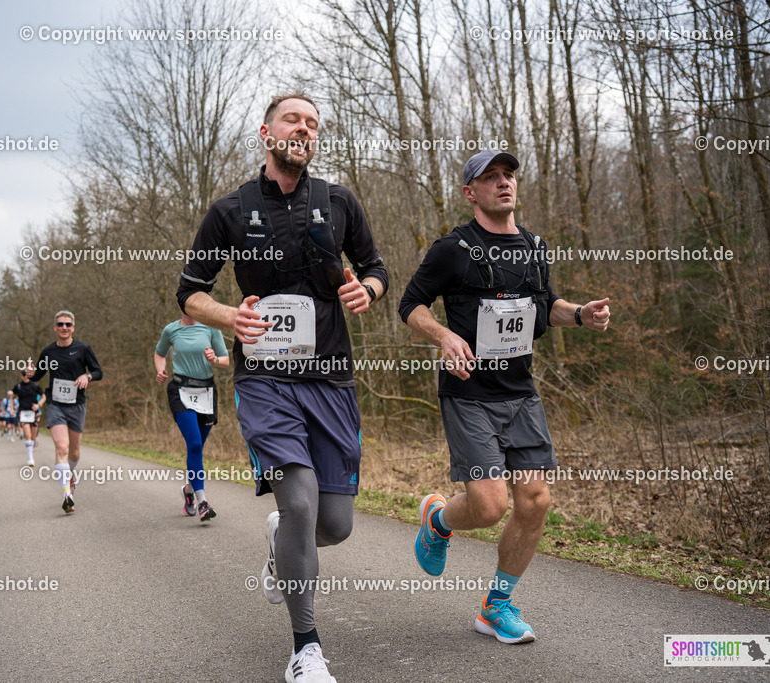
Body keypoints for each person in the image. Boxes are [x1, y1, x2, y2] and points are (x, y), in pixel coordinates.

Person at [178, 93, 388, 682]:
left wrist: (367, 290)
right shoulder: (230, 210)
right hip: (265, 380)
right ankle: (305, 648)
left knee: (333, 525)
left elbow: (376, 267)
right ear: (266, 132)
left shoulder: (339, 201)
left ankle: (282, 542)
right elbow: (189, 292)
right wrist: (230, 317)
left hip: (331, 379)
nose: (304, 129)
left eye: (312, 124)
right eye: (292, 119)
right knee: (297, 501)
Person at [399, 150, 611, 644]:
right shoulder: (452, 249)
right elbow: (411, 304)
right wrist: (444, 337)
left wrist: (581, 314)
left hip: (520, 393)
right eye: (490, 177)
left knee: (535, 501)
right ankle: (438, 520)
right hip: (469, 393)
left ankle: (496, 606)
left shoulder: (535, 247)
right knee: (490, 506)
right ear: (470, 192)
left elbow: (545, 307)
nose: (503, 182)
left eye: (508, 175)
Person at [154, 313, 229, 522]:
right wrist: (160, 370)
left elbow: (225, 360)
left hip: (206, 391)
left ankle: (188, 489)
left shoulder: (211, 328)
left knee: (197, 448)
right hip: (180, 390)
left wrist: (215, 359)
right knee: (194, 444)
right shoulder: (171, 330)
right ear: (181, 306)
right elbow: (159, 353)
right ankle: (202, 501)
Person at [29, 310, 103, 514]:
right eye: (60, 324)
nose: (64, 327)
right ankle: (67, 495)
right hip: (55, 405)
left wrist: (87, 376)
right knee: (61, 447)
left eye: (68, 324)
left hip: (77, 404)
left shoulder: (83, 348)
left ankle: (69, 475)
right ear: (54, 327)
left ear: (73, 327)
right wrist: (29, 374)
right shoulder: (48, 352)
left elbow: (98, 372)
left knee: (74, 453)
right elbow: (37, 375)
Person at [13, 367, 45, 468]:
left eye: (27, 375)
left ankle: (33, 440)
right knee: (27, 434)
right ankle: (30, 458)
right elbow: (12, 397)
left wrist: (38, 405)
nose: (26, 377)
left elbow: (44, 396)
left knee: (33, 437)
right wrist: (12, 408)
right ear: (21, 376)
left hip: (34, 412)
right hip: (23, 412)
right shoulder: (18, 387)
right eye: (24, 375)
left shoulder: (35, 386)